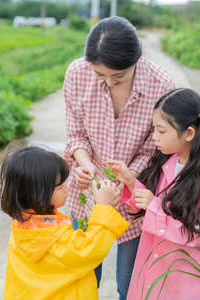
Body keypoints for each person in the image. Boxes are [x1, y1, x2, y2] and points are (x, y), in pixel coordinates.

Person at [63, 16, 175, 299]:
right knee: (84, 279)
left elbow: (157, 148)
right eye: (101, 76)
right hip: (87, 195)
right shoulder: (77, 74)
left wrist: (127, 177)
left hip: (134, 200)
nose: (109, 83)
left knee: (131, 286)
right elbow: (75, 134)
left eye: (119, 77)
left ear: (136, 60)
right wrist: (86, 167)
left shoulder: (160, 84)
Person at [107, 88, 200, 299]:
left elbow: (199, 231)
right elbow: (162, 203)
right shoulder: (171, 161)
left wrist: (154, 206)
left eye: (161, 131)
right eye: (154, 130)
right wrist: (132, 183)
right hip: (165, 266)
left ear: (189, 133)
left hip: (193, 274)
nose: (154, 137)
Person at [0, 146, 129, 300]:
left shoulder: (23, 225)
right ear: (39, 194)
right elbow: (89, 251)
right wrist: (103, 207)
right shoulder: (56, 238)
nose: (67, 188)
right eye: (60, 186)